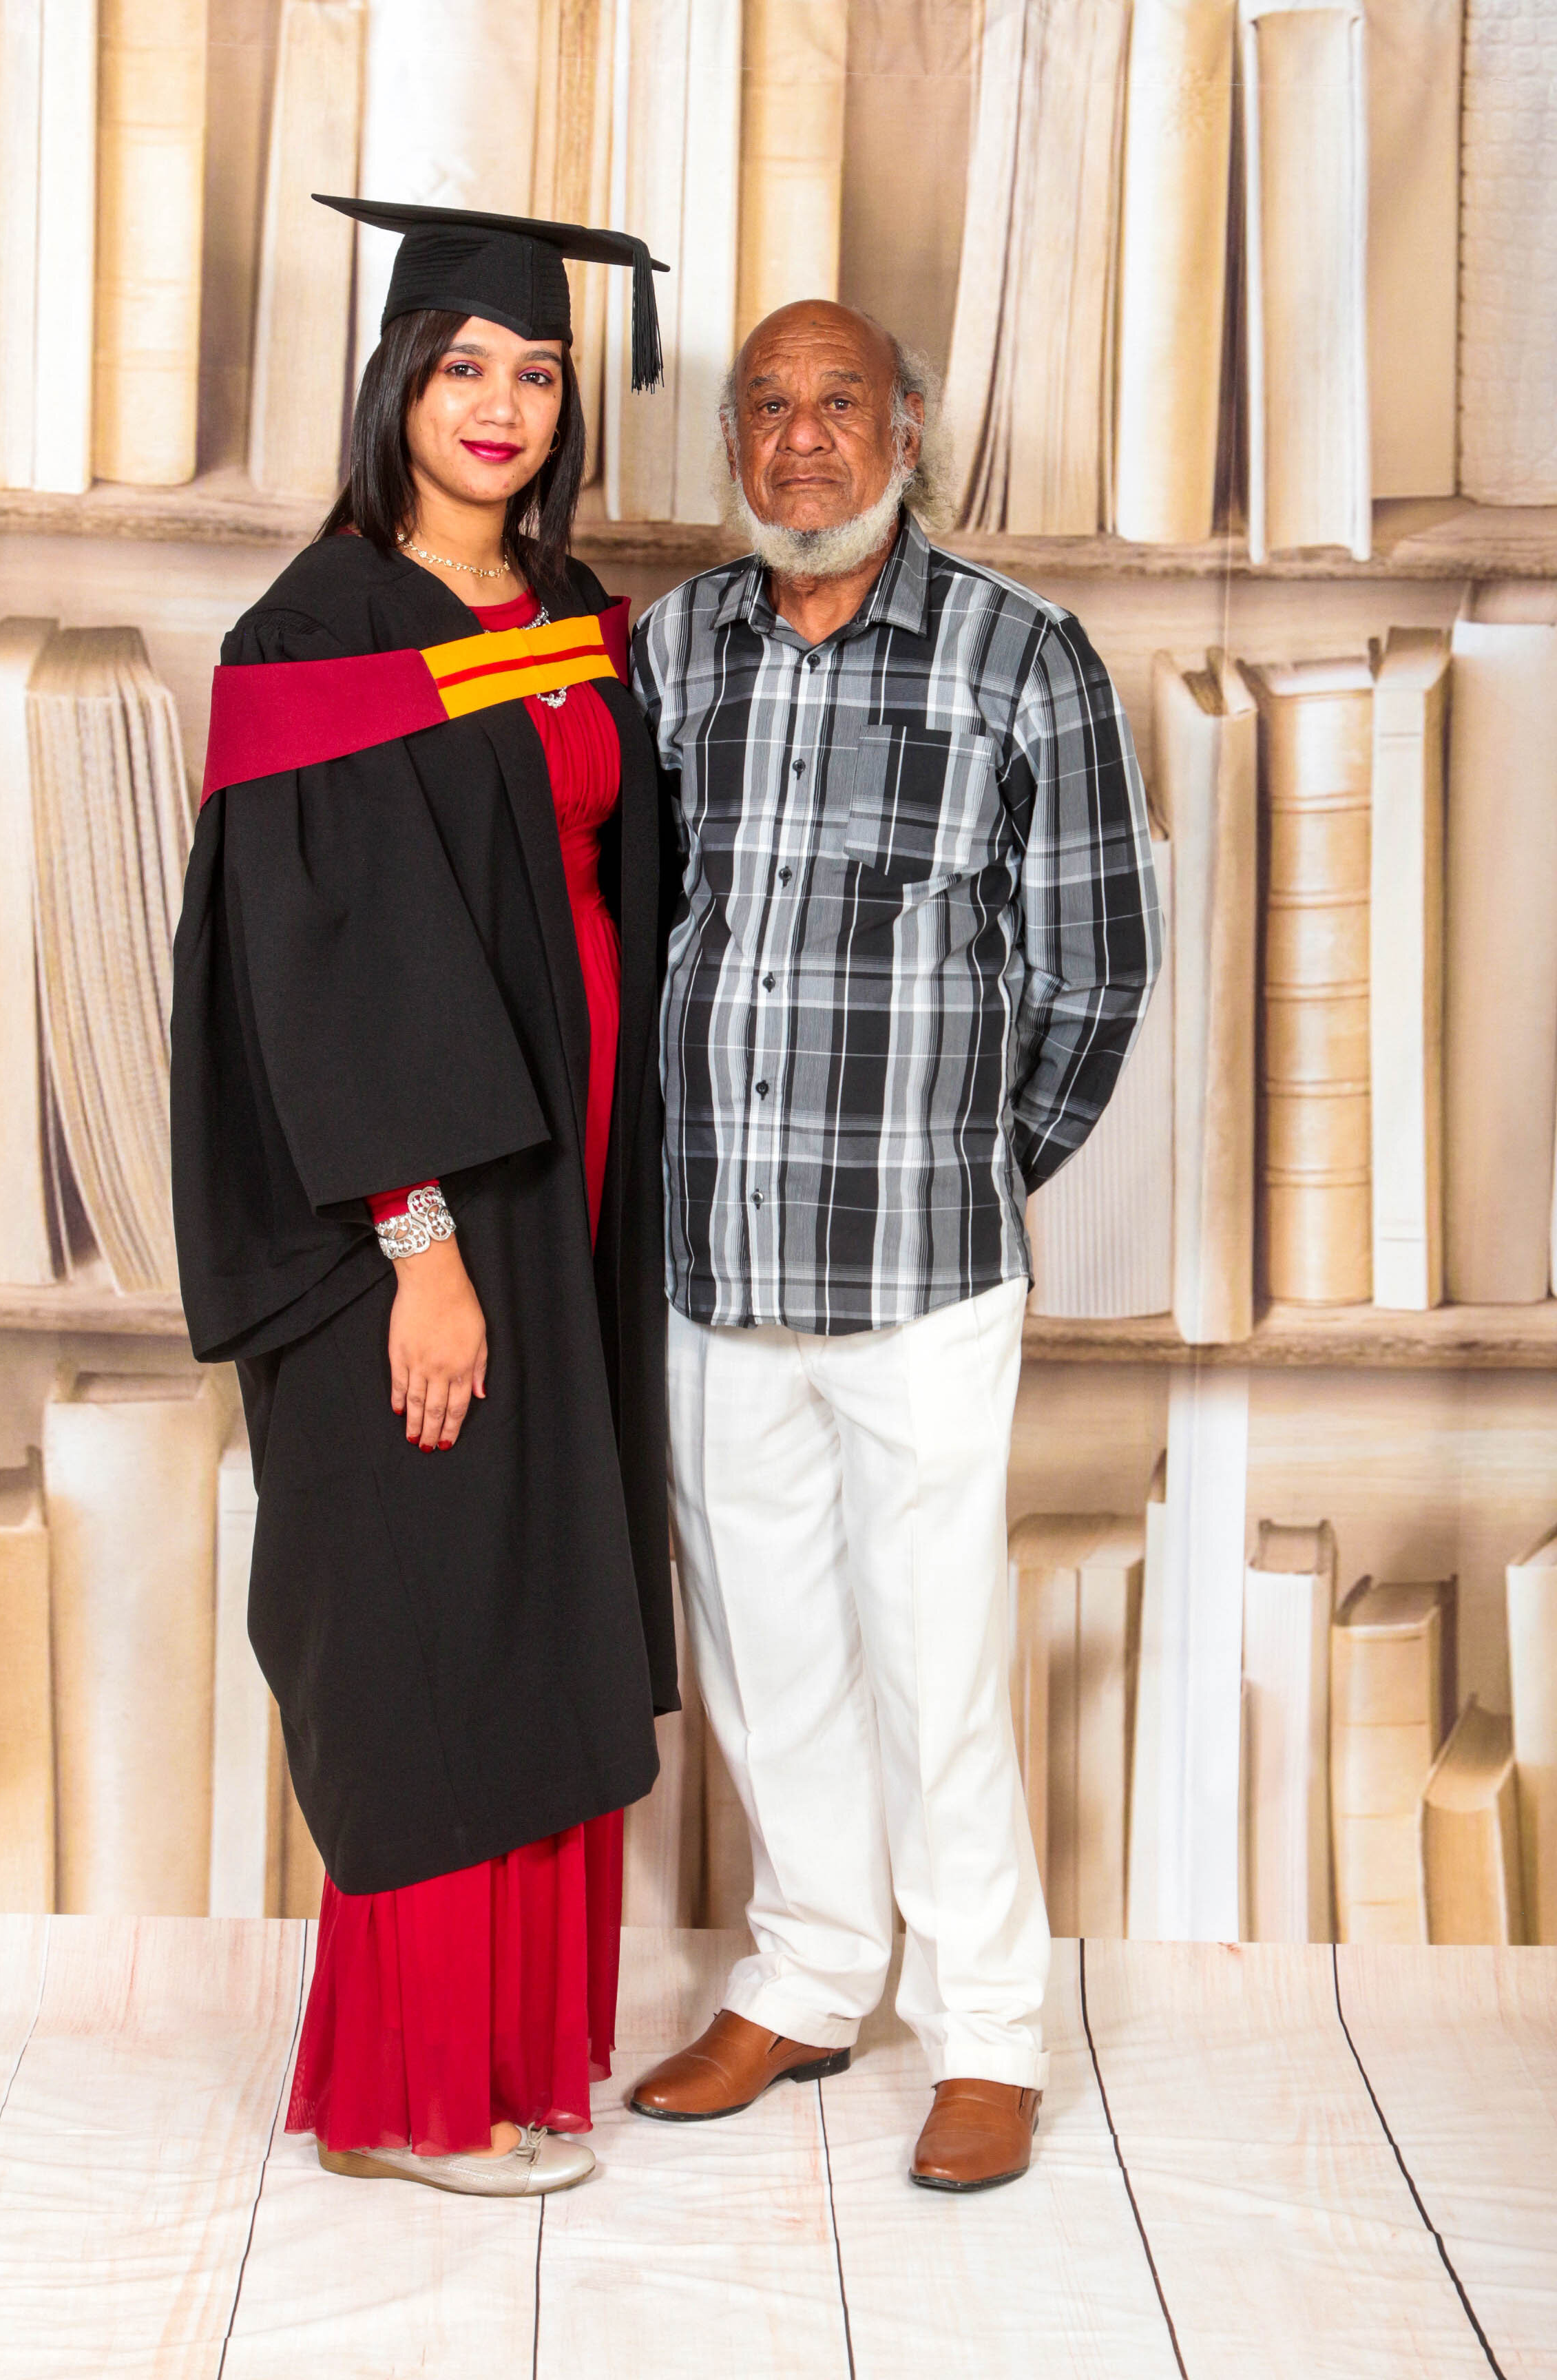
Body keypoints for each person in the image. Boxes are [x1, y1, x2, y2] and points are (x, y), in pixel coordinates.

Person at [171, 199, 676, 2198]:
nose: (502, 405)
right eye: (463, 366)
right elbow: (320, 966)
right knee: (430, 1611)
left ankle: (531, 2058)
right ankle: (416, 2091)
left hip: (573, 1191)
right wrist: (420, 1247)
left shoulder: (567, 609)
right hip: (424, 1214)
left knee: (534, 1592)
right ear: (396, 383)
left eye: (537, 371)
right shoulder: (320, 635)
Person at [627, 302, 1160, 2191]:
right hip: (713, 1259)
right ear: (734, 447)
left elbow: (1097, 969)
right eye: (767, 409)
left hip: (922, 1272)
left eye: (839, 403)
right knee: (767, 1657)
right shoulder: (675, 648)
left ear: (908, 430)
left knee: (938, 1666)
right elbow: (637, 921)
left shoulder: (1024, 654)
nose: (802, 441)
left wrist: (974, 1165)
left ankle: (989, 2033)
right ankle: (807, 1977)